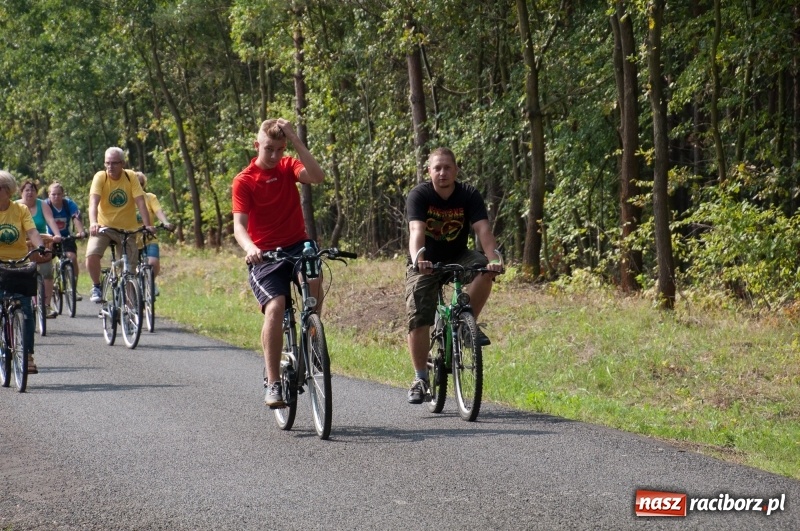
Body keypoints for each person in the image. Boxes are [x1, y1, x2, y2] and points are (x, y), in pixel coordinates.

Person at [232, 118, 325, 408]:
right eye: (269, 149)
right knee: (275, 307)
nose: (274, 156)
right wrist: (251, 248)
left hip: (298, 245)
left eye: (280, 149)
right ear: (256, 145)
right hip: (266, 255)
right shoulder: (245, 180)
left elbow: (317, 176)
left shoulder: (287, 167)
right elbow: (239, 226)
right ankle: (273, 383)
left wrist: (296, 140)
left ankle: (312, 339)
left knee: (313, 278)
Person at [404, 147, 503, 404]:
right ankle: (420, 378)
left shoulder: (468, 194)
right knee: (418, 314)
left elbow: (483, 230)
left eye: (447, 167)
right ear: (429, 171)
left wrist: (493, 258)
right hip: (426, 260)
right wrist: (418, 259)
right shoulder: (419, 195)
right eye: (437, 168)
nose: (442, 172)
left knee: (483, 269)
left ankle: (464, 326)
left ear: (456, 170)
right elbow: (416, 230)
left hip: (458, 256)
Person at [85, 147, 154, 303]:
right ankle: (96, 286)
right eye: (107, 163)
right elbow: (93, 203)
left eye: (114, 163)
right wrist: (93, 222)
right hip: (104, 228)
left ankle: (130, 310)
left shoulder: (130, 177)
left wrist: (147, 225)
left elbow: (141, 202)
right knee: (91, 255)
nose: (110, 167)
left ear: (122, 163)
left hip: (127, 231)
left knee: (129, 271)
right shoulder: (100, 177)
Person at [0, 171, 48, 373]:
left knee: (26, 311)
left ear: (7, 191)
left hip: (19, 263)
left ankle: (27, 355)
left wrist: (40, 247)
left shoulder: (20, 210)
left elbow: (32, 232)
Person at [17, 180, 62, 318]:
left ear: (37, 193)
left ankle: (46, 305)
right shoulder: (16, 206)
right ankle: (23, 303)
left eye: (33, 190)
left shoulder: (42, 204)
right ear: (21, 192)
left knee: (47, 271)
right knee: (21, 273)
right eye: (27, 190)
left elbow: (50, 220)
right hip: (22, 243)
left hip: (41, 241)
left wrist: (57, 235)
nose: (30, 193)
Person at [135, 172, 174, 295]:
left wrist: (165, 222)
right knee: (131, 269)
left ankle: (151, 281)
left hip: (148, 236)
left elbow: (158, 211)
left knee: (153, 262)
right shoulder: (127, 200)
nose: (138, 186)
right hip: (132, 238)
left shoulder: (150, 197)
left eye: (141, 184)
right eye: (136, 184)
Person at [46, 182, 87, 300]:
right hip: (49, 238)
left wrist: (81, 232)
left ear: (63, 194)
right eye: (53, 194)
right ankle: (50, 284)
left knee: (72, 258)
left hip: (66, 237)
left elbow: (76, 217)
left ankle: (73, 288)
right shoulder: (45, 205)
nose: (56, 197)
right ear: (49, 195)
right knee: (46, 260)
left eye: (59, 194)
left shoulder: (68, 204)